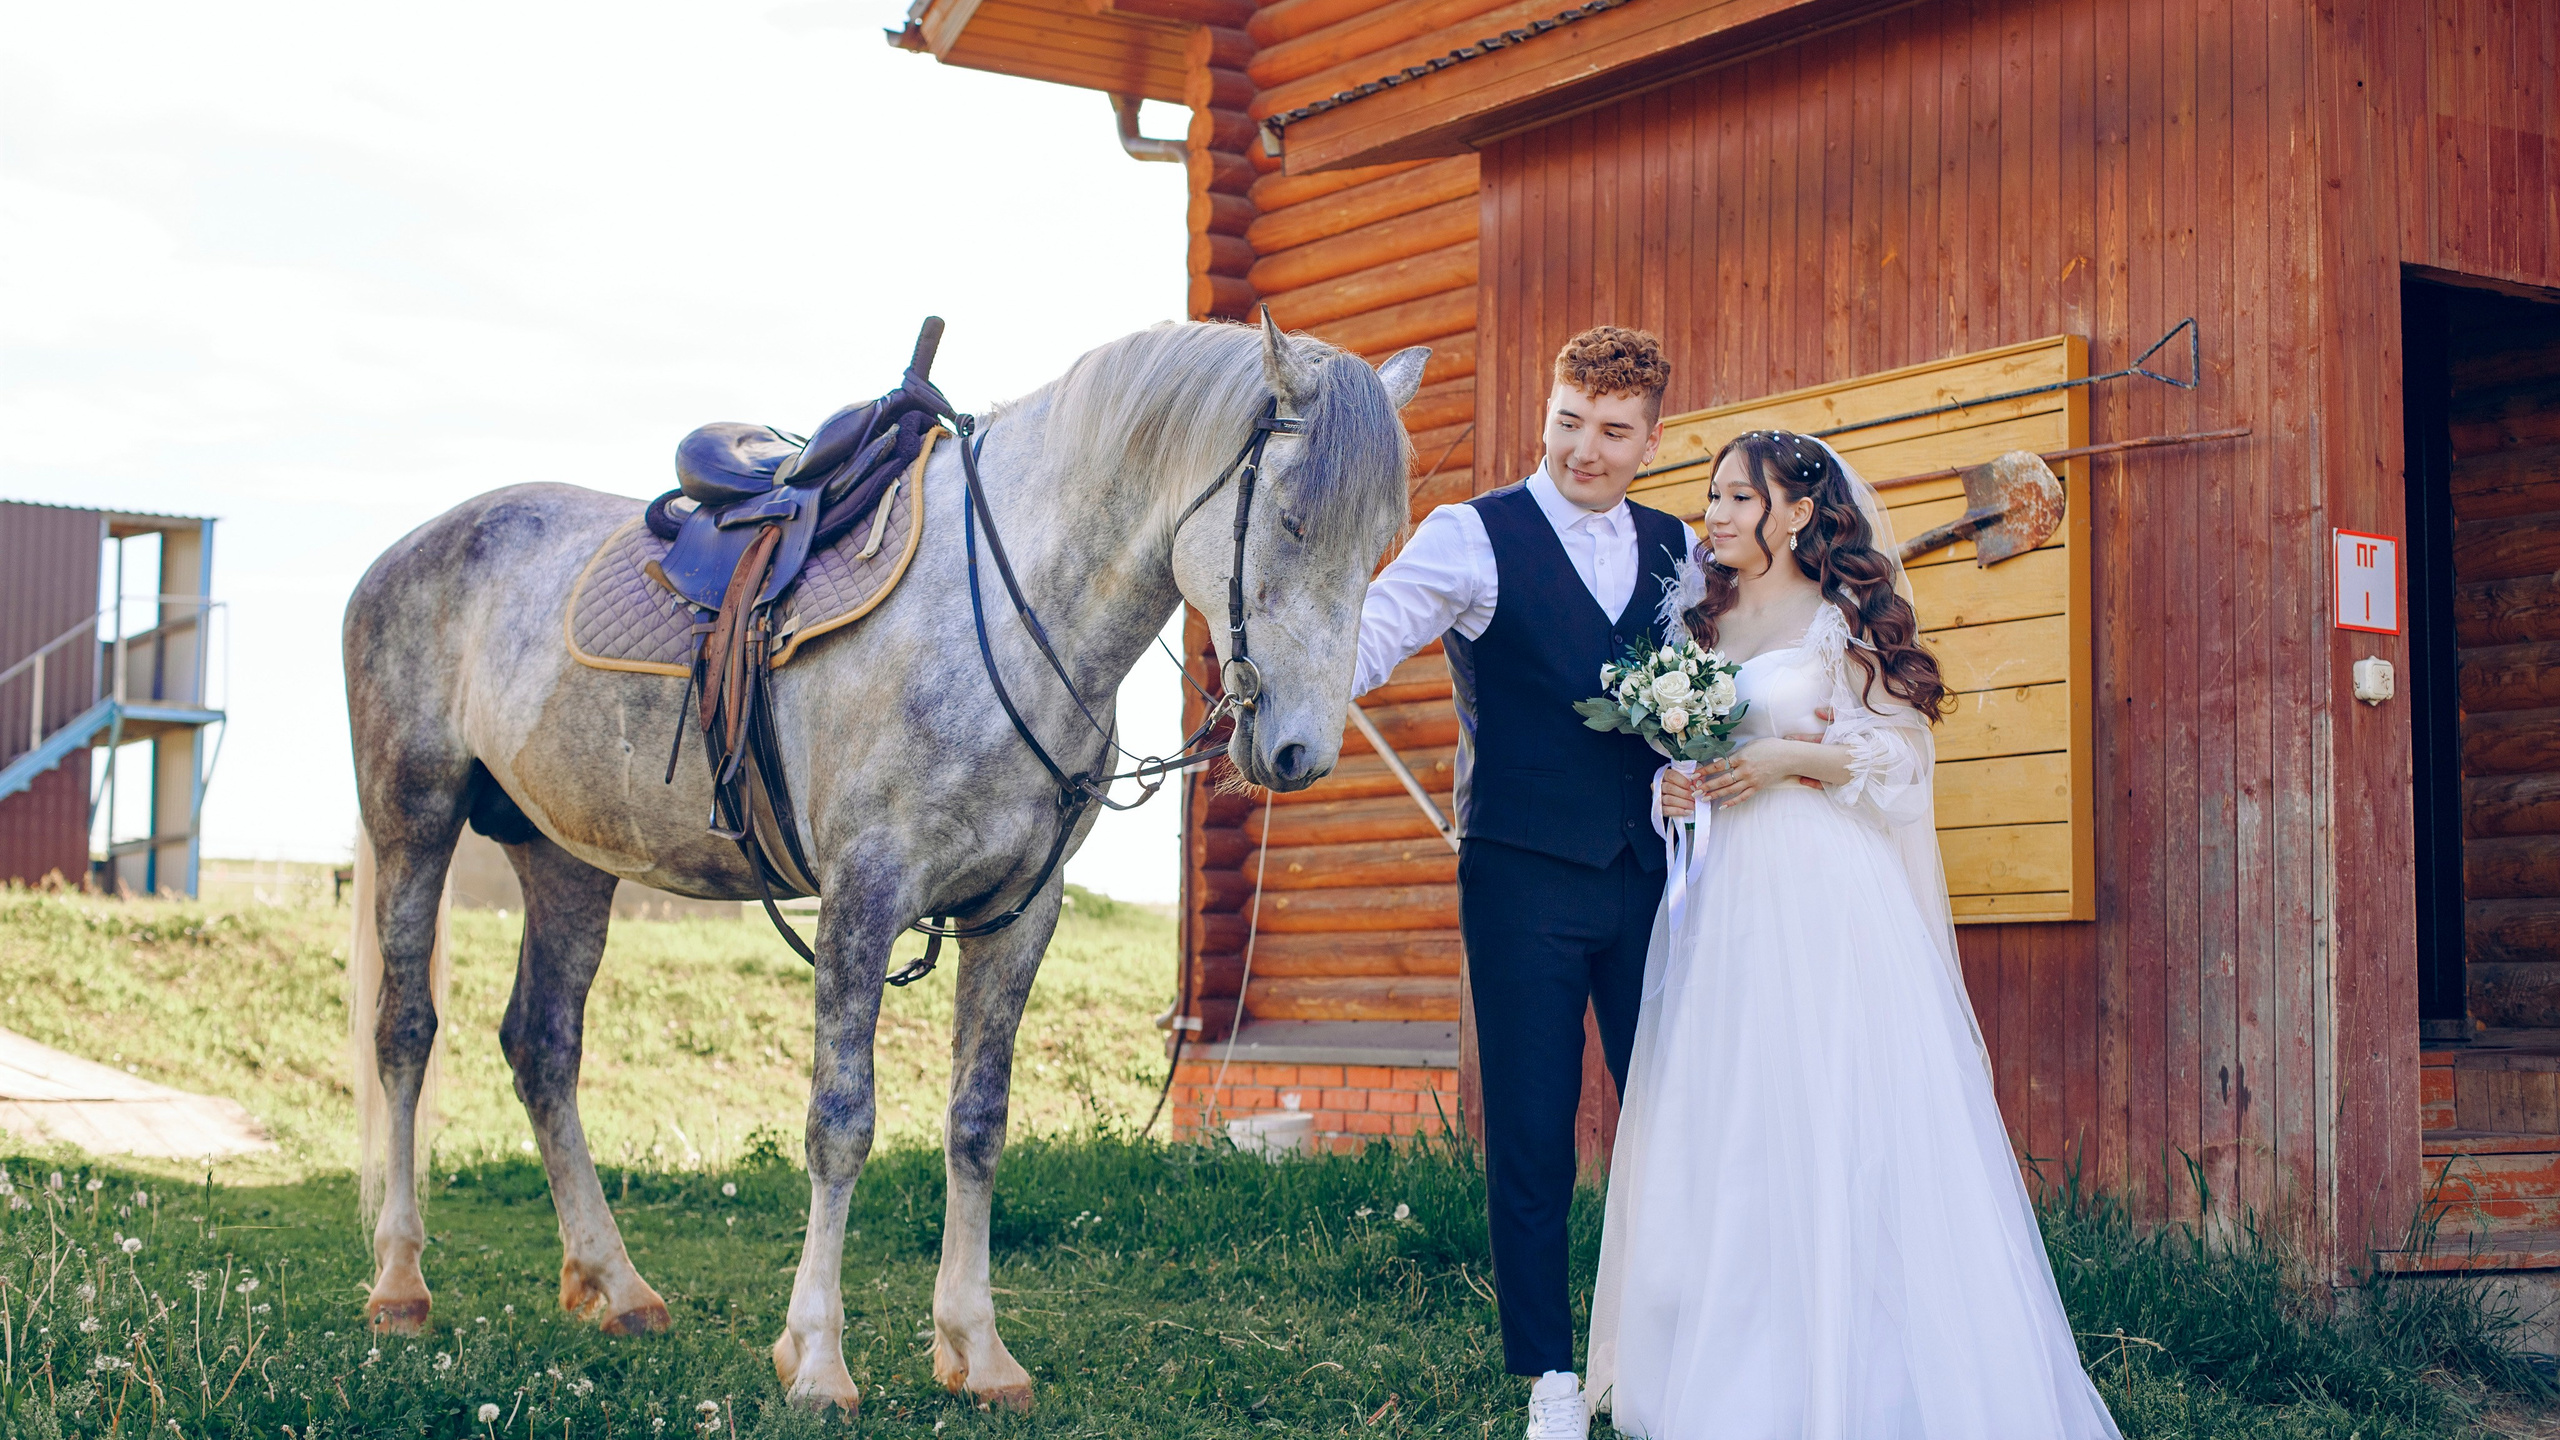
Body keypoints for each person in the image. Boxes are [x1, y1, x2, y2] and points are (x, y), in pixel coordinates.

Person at [1584, 429, 2121, 1439]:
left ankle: (1869, 1376)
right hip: (1726, 894)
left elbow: (1899, 763)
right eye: (1711, 496)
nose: (1716, 514)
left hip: (1823, 894)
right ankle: (1736, 1372)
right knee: (1734, 1115)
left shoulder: (1843, 619)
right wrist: (1675, 783)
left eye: (1737, 498)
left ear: (1794, 513)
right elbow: (1693, 758)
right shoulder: (1698, 623)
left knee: (1834, 1108)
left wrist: (1793, 758)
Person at [1352, 326, 1691, 1440]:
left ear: (1648, 438)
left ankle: (1664, 1352)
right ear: (1545, 412)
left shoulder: (1678, 546)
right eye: (1566, 423)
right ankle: (1549, 1373)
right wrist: (1290, 685)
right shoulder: (1470, 534)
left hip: (1653, 876)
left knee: (1673, 1117)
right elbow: (1373, 634)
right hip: (1520, 881)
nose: (1582, 450)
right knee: (1536, 1128)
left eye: (1610, 432)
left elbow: (1716, 686)